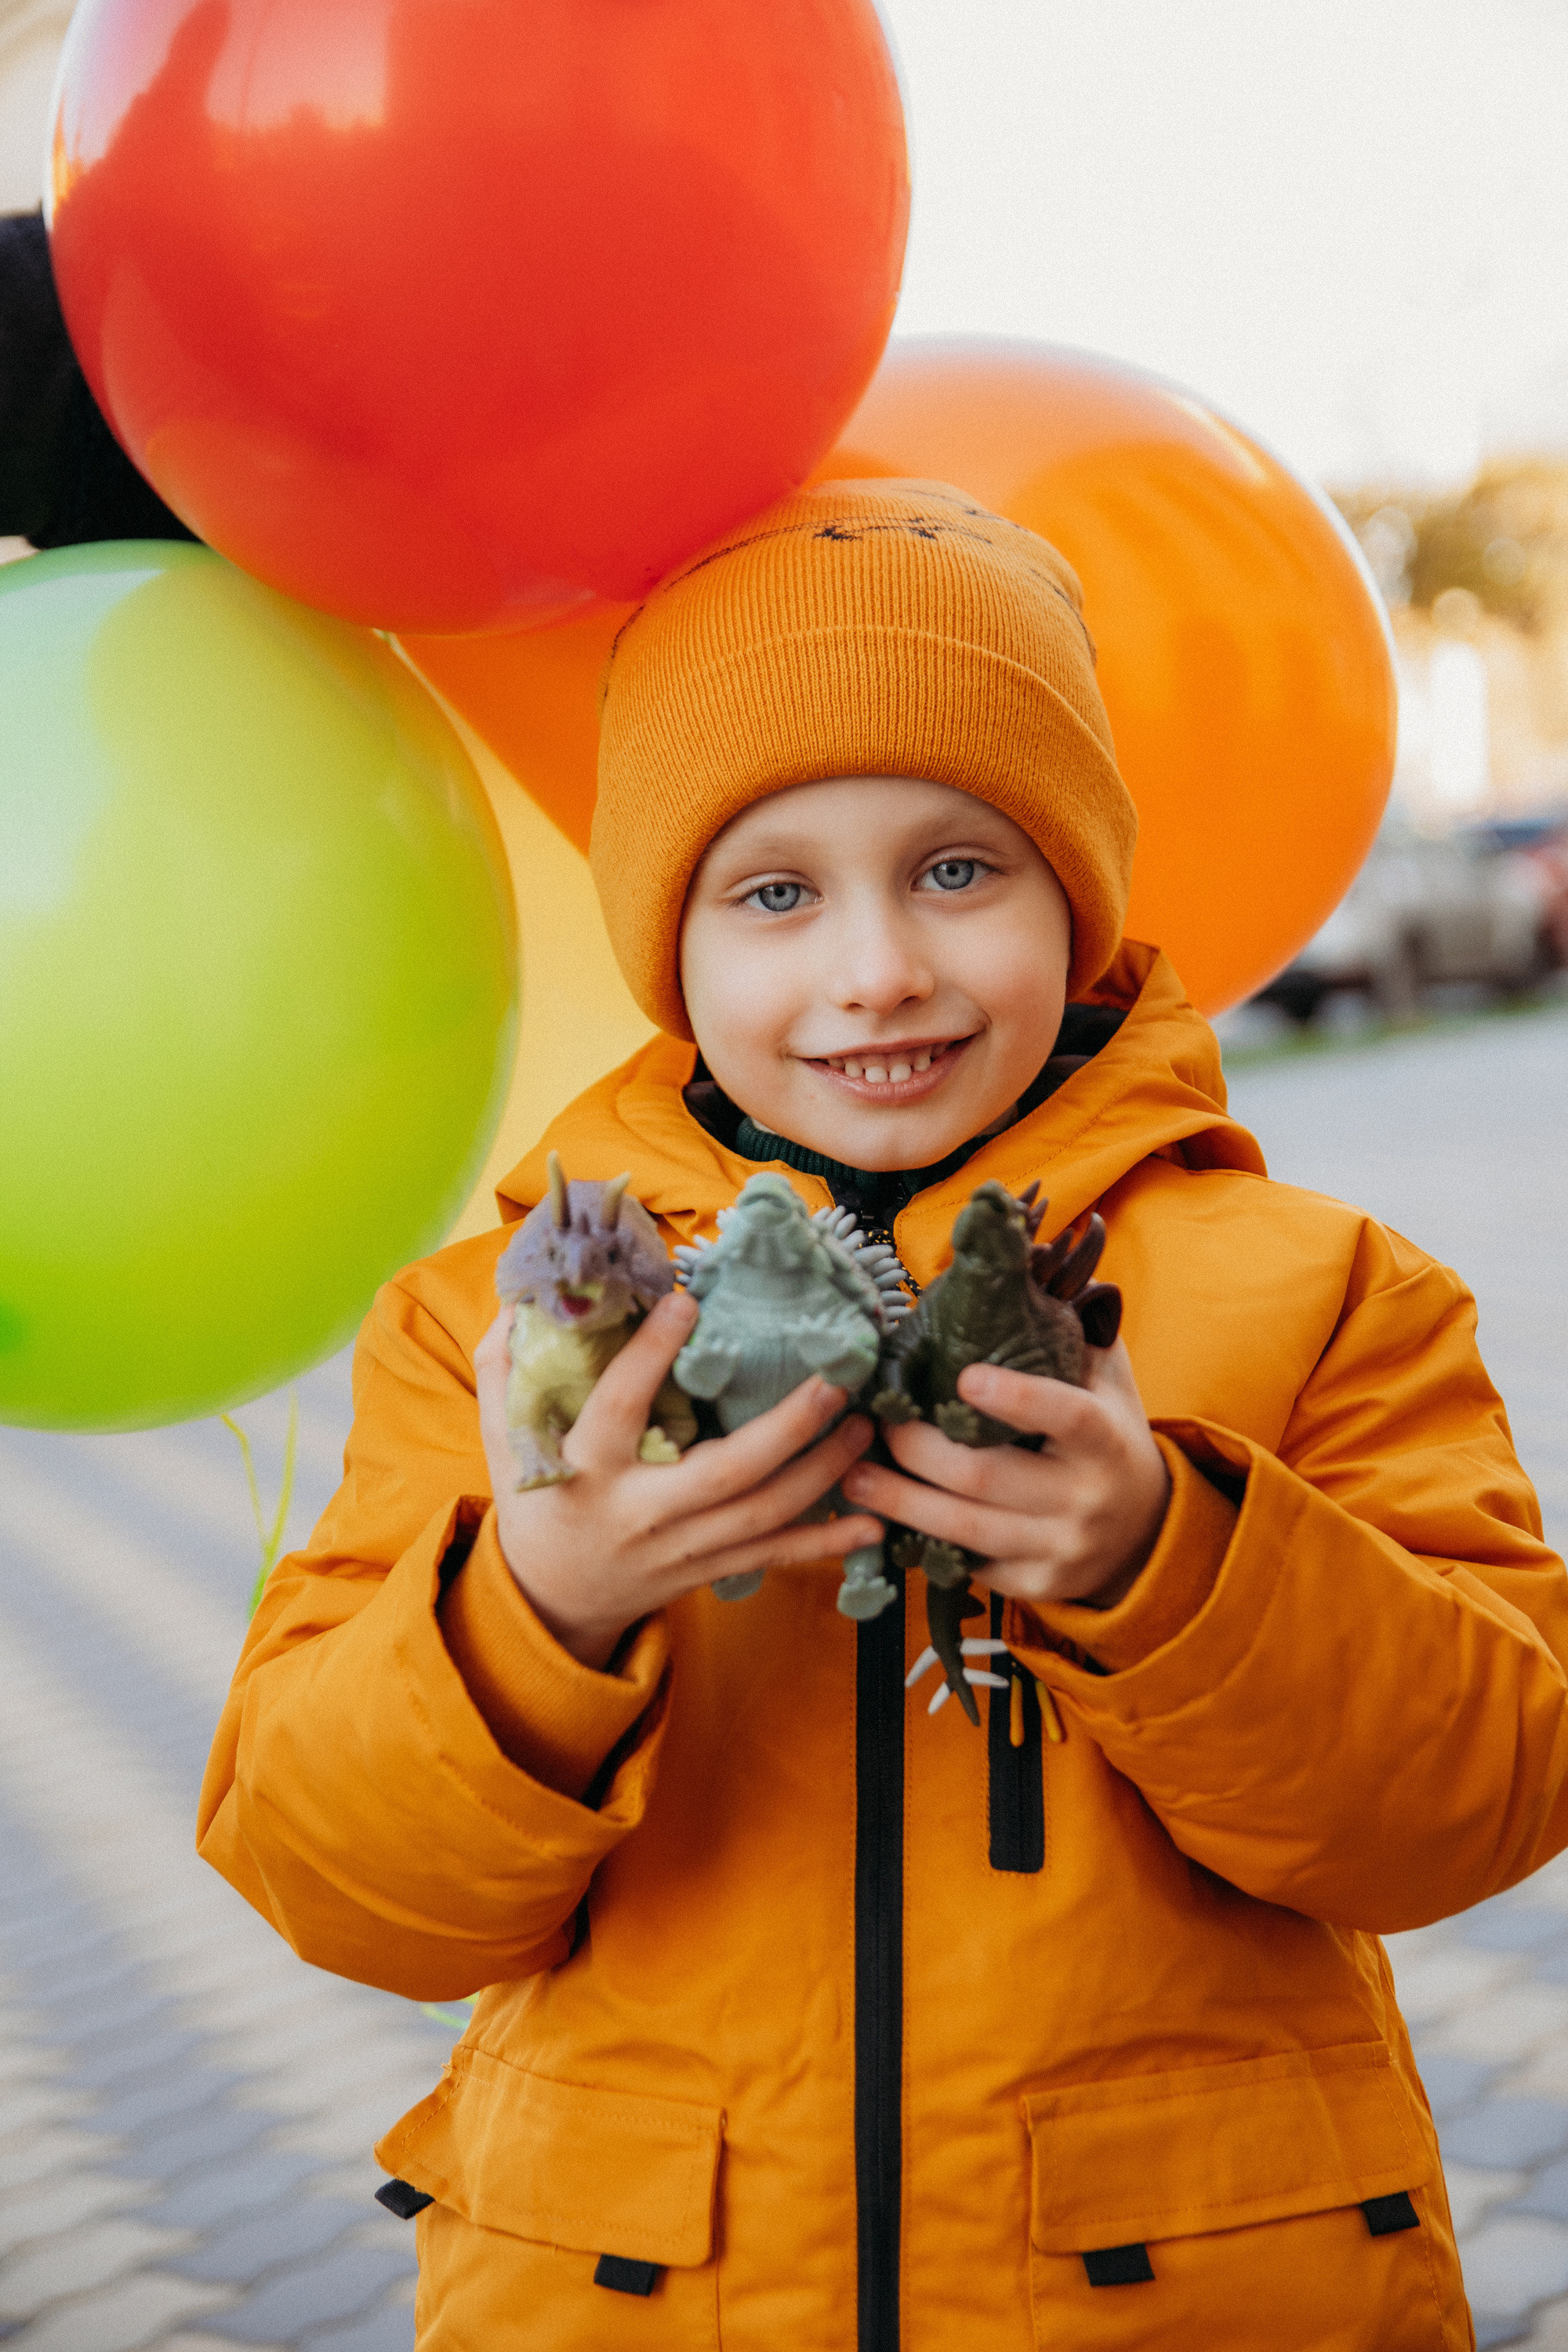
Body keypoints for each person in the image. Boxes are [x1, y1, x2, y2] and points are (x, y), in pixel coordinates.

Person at [200, 479, 1567, 2350]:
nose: (877, 970)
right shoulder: (491, 1332)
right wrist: (543, 1606)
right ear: (661, 938)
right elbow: (340, 1879)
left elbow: (1476, 1796)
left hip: (1194, 2286)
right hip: (638, 2291)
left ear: (1074, 895)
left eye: (956, 867)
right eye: (774, 892)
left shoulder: (1320, 1292)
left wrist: (1167, 1564)